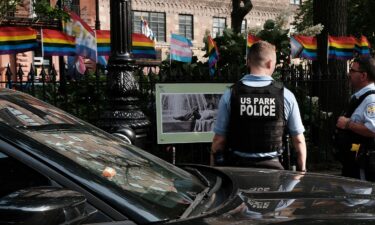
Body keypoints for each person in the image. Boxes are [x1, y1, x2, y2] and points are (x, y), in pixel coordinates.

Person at [210, 41, 307, 171]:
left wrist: (214, 171)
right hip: (273, 170)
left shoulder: (230, 94)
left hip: (238, 170)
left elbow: (218, 141)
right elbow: (299, 140)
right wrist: (302, 170)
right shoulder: (286, 95)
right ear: (270, 63)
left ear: (248, 62)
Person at [335, 56, 375, 181]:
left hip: (361, 166)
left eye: (352, 71)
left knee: (359, 200)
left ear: (363, 76)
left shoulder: (371, 100)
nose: (349, 74)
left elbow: (372, 129)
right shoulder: (360, 96)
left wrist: (348, 124)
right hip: (352, 162)